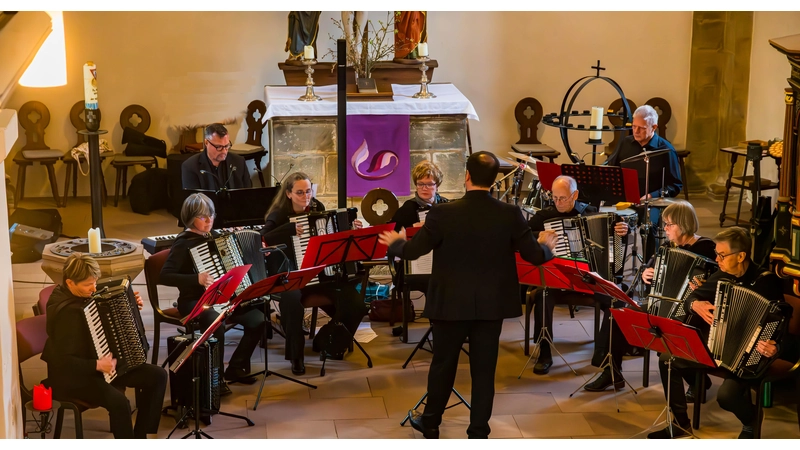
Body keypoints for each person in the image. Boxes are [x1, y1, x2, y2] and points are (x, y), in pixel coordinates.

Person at [379, 152, 558, 439]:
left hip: (450, 302)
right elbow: (535, 256)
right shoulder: (510, 213)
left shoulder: (442, 213)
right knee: (484, 370)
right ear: (494, 179)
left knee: (443, 364)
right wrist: (547, 246)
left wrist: (396, 244)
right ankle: (478, 431)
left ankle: (431, 422)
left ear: (467, 177)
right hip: (491, 304)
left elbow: (414, 251)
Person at [647, 227, 787, 439]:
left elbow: (782, 323)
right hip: (716, 345)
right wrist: (695, 305)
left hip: (747, 356)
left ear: (741, 256)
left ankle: (750, 421)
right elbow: (690, 298)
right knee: (668, 359)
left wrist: (776, 346)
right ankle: (680, 424)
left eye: (722, 255)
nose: (716, 260)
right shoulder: (722, 275)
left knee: (727, 396)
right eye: (717, 254)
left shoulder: (766, 282)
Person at [586, 200, 716, 392]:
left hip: (691, 311)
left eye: (669, 224)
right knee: (617, 315)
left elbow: (717, 282)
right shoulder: (667, 246)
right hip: (662, 304)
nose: (665, 228)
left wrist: (704, 284)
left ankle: (698, 381)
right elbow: (651, 270)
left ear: (683, 224)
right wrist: (647, 273)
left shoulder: (706, 248)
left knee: (674, 336)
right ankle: (612, 372)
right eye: (665, 224)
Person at [41, 253, 167, 439]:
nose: (94, 288)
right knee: (119, 402)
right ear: (70, 283)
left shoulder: (81, 295)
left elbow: (103, 318)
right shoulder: (66, 314)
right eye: (88, 284)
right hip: (75, 376)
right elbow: (62, 362)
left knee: (158, 376)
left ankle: (141, 436)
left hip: (101, 365)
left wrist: (130, 306)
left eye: (95, 282)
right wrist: (97, 365)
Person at [260, 172, 368, 375]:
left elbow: (332, 234)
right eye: (300, 192)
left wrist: (351, 229)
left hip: (321, 274)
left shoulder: (318, 207)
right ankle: (296, 357)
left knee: (356, 305)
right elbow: (262, 239)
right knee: (292, 301)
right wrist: (288, 229)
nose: (306, 197)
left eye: (308, 191)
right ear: (289, 194)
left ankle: (327, 342)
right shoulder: (278, 214)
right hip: (291, 275)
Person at [160, 193, 266, 387]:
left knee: (258, 320)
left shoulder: (215, 237)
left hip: (223, 298)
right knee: (215, 321)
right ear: (190, 218)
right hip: (193, 301)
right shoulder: (183, 243)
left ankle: (236, 367)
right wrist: (196, 279)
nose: (209, 221)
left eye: (211, 215)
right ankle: (215, 379)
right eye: (203, 217)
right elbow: (165, 276)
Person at [526, 175, 628, 375]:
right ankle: (544, 352)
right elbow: (523, 236)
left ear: (575, 195)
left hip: (589, 280)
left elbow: (613, 243)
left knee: (617, 299)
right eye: (554, 197)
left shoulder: (591, 213)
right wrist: (539, 237)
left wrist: (623, 231)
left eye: (562, 198)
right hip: (558, 280)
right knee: (542, 296)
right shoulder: (544, 217)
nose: (557, 203)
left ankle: (603, 350)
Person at [606, 105, 682, 261]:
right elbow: (612, 171)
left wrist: (651, 195)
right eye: (634, 126)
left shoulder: (666, 150)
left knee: (649, 227)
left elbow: (675, 185)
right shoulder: (625, 143)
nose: (636, 131)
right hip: (625, 199)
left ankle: (650, 266)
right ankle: (615, 265)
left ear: (654, 127)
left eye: (641, 128)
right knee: (607, 221)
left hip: (652, 202)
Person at [182, 123, 252, 191]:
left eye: (226, 146)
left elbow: (248, 194)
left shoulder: (239, 162)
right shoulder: (190, 167)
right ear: (206, 143)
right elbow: (194, 198)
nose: (224, 151)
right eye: (218, 147)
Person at [390, 160, 449, 231]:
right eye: (420, 184)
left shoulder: (445, 204)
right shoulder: (408, 208)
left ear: (437, 186)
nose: (424, 188)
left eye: (429, 184)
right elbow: (393, 232)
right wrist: (413, 227)